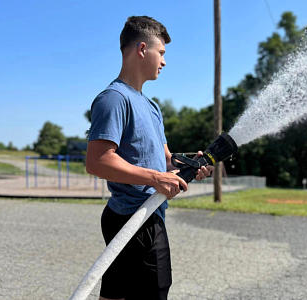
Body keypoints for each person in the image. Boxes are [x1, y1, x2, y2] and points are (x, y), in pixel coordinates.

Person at [86, 16, 212, 300]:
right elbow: (98, 161)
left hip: (142, 214)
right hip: (134, 216)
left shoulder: (152, 107)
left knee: (116, 293)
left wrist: (188, 165)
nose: (164, 61)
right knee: (154, 291)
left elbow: (164, 160)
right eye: (162, 53)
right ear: (142, 49)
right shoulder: (114, 99)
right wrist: (156, 178)